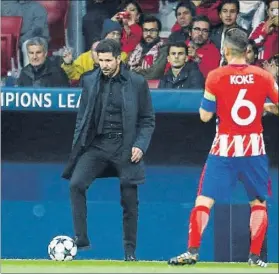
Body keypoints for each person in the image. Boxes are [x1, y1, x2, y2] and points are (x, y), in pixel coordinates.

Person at [168, 28, 278, 267]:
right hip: (254, 150)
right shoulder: (263, 76)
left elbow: (205, 116)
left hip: (224, 150)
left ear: (225, 50)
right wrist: (267, 108)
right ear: (246, 51)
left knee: (203, 201)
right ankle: (255, 257)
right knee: (258, 203)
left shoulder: (215, 76)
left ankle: (192, 252)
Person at [62, 39, 155, 261]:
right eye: (100, 60)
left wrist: (140, 145)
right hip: (98, 145)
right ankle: (81, 238)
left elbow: (147, 119)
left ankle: (129, 250)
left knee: (129, 199)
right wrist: (79, 145)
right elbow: (82, 117)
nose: (103, 64)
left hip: (126, 146)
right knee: (76, 184)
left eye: (107, 60)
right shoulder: (90, 80)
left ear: (118, 58)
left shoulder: (137, 82)